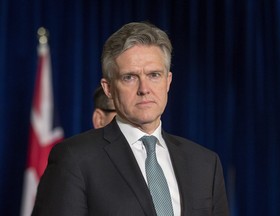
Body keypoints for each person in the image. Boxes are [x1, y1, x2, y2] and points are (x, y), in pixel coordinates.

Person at [32, 22, 229, 216]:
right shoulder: (75, 159)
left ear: (168, 81)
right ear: (108, 88)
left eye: (154, 75)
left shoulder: (205, 164)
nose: (144, 89)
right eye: (130, 77)